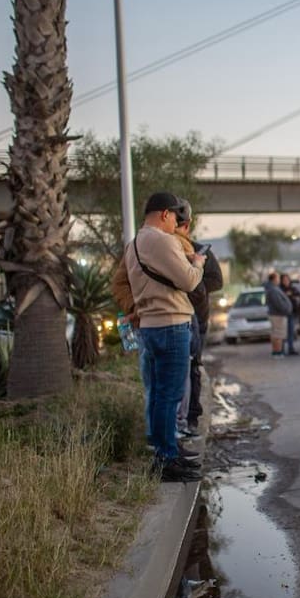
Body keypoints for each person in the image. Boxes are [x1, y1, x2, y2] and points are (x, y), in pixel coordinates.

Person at [125, 191, 206, 483]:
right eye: (175, 216)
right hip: (171, 324)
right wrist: (197, 262)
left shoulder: (134, 244)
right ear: (164, 214)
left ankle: (165, 451)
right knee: (170, 396)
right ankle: (167, 459)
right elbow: (188, 280)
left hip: (150, 326)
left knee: (160, 395)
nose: (177, 222)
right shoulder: (162, 240)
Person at [173, 199, 223, 435]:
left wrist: (195, 283)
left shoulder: (202, 252)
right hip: (177, 317)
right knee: (180, 370)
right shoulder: (167, 251)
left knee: (193, 366)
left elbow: (217, 282)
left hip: (198, 318)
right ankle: (180, 424)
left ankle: (192, 416)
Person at [263, 271, 294, 357]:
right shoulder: (273, 290)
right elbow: (278, 303)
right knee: (278, 335)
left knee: (275, 334)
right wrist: (286, 310)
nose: (279, 280)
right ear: (274, 279)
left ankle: (276, 352)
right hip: (278, 315)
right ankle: (278, 352)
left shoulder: (271, 288)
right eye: (277, 278)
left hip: (276, 314)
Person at [279, 272, 300, 355]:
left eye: (287, 280)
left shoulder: (293, 288)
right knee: (283, 333)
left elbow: (298, 295)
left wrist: (292, 295)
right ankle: (282, 350)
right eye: (284, 280)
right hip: (283, 314)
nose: (286, 281)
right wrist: (286, 295)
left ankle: (291, 348)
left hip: (291, 313)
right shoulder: (280, 289)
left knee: (291, 332)